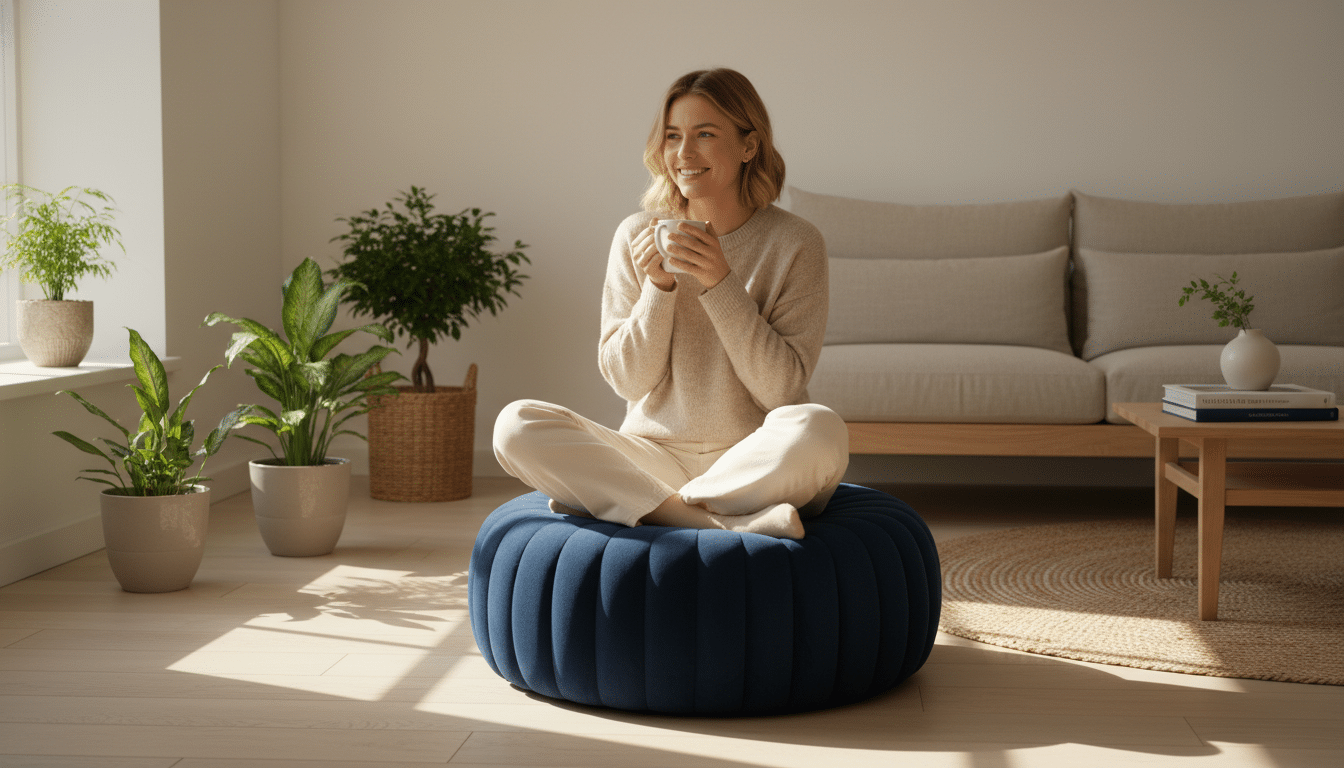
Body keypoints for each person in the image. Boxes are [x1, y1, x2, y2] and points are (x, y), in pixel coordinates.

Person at [493, 67, 847, 539]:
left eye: (705, 134)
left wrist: (721, 283)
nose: (684, 153)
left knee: (820, 429)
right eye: (673, 136)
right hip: (653, 455)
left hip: (753, 455)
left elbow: (781, 390)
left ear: (749, 145)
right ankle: (708, 519)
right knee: (515, 425)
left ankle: (630, 502)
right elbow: (627, 381)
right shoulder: (635, 235)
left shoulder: (796, 242)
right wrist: (656, 291)